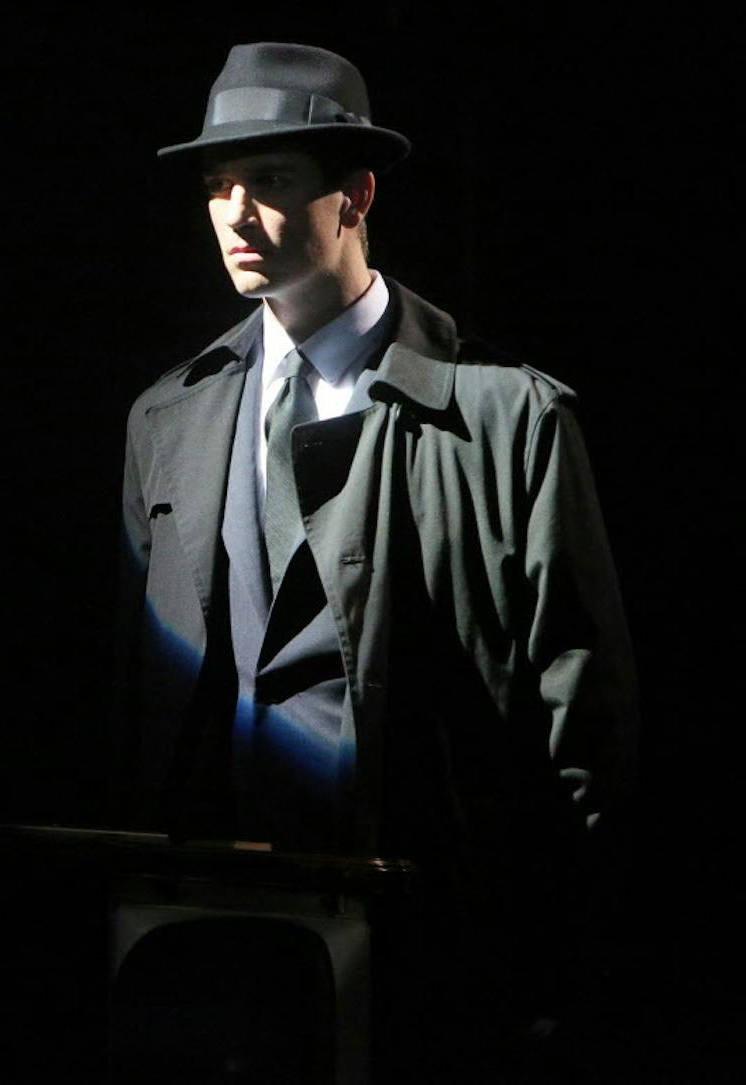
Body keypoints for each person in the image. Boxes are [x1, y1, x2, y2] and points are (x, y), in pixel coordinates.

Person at [114, 43, 636, 1076]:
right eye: (219, 184)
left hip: (432, 930)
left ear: (353, 194)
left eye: (269, 179)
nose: (236, 213)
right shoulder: (167, 417)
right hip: (221, 932)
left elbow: (582, 713)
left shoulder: (505, 415)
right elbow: (142, 691)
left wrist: (559, 959)